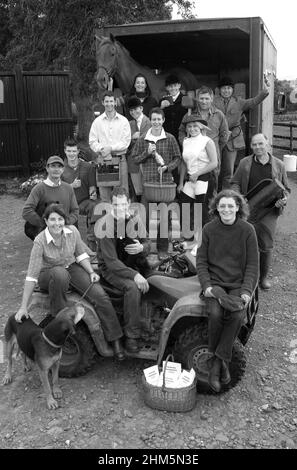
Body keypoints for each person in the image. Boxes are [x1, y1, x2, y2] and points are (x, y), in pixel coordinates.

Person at [15, 203, 126, 360]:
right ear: (46, 221)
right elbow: (32, 275)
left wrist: (91, 272)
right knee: (60, 274)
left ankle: (115, 339)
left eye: (60, 219)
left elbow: (80, 254)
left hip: (70, 267)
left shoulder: (72, 231)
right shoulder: (40, 241)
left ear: (64, 220)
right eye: (52, 219)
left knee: (99, 294)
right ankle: (58, 322)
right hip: (49, 274)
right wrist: (23, 307)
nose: (57, 223)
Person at [196, 190, 259, 392]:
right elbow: (201, 261)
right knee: (214, 313)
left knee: (237, 314)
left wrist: (246, 291)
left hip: (237, 284)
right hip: (215, 283)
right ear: (216, 208)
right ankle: (221, 362)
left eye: (230, 206)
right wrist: (206, 286)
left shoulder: (248, 230)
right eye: (222, 206)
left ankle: (216, 362)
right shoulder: (208, 229)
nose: (226, 209)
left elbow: (252, 265)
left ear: (238, 207)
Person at [231, 133, 290, 290]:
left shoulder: (279, 165)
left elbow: (286, 189)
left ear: (267, 144)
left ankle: (263, 278)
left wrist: (283, 200)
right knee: (244, 243)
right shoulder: (244, 163)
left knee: (266, 245)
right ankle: (244, 277)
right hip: (247, 208)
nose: (257, 147)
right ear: (251, 146)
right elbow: (235, 182)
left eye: (260, 144)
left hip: (269, 210)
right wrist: (239, 197)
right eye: (254, 144)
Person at [95, 187, 151, 353]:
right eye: (116, 205)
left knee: (157, 279)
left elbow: (148, 242)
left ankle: (149, 321)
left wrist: (142, 247)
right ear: (111, 205)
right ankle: (131, 336)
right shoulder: (105, 226)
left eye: (123, 204)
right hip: (112, 269)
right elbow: (111, 262)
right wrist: (135, 276)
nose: (120, 208)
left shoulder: (134, 219)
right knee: (133, 288)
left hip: (133, 263)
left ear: (129, 204)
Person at [132, 107, 181, 258]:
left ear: (163, 120)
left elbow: (177, 158)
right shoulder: (142, 139)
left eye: (159, 119)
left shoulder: (170, 138)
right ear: (150, 120)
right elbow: (134, 158)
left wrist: (167, 167)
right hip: (148, 183)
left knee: (165, 218)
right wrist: (146, 153)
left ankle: (162, 249)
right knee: (144, 218)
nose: (156, 122)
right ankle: (143, 248)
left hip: (165, 184)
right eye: (154, 119)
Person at [214, 76, 270, 189]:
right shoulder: (213, 102)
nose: (226, 90)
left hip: (232, 140)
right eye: (224, 88)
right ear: (219, 90)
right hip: (216, 139)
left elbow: (254, 101)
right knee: (214, 169)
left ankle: (226, 196)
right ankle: (213, 195)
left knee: (228, 171)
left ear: (232, 89)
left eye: (229, 88)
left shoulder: (239, 102)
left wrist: (265, 91)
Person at [177, 114, 218, 236]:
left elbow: (214, 163)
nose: (192, 129)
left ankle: (203, 240)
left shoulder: (207, 141)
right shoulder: (186, 141)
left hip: (204, 179)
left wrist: (197, 173)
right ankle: (187, 238)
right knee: (184, 209)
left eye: (195, 126)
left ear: (201, 127)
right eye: (189, 126)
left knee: (202, 212)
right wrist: (180, 183)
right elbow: (184, 162)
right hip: (190, 180)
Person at [22, 156, 79, 241]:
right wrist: (44, 224)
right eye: (53, 166)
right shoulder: (39, 189)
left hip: (65, 233)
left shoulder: (68, 188)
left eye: (59, 166)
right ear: (47, 168)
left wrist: (66, 223)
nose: (56, 169)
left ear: (63, 169)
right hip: (46, 235)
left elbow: (75, 210)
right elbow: (26, 211)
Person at [89, 91, 131, 202]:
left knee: (121, 194)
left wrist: (110, 148)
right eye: (106, 101)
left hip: (120, 160)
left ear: (115, 102)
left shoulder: (124, 121)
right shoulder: (97, 122)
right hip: (103, 160)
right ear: (103, 103)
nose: (109, 104)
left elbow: (126, 142)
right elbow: (92, 142)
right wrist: (102, 149)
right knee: (105, 195)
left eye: (111, 101)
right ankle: (107, 217)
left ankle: (122, 219)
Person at [61, 138, 98, 252]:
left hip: (83, 202)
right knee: (69, 216)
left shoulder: (88, 167)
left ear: (78, 152)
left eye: (74, 151)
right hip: (68, 204)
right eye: (69, 151)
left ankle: (91, 244)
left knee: (95, 207)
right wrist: (70, 186)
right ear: (65, 151)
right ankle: (75, 249)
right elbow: (56, 191)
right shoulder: (60, 168)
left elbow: (92, 187)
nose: (71, 154)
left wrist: (93, 196)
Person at [178, 86, 229, 168]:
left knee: (213, 178)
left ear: (212, 99)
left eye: (207, 98)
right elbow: (181, 131)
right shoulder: (190, 115)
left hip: (212, 156)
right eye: (201, 98)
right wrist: (185, 143)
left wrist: (214, 146)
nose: (204, 101)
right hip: (194, 156)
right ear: (197, 99)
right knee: (193, 177)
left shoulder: (219, 115)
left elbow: (224, 135)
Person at [160, 74, 187, 185]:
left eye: (175, 85)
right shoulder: (163, 100)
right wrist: (161, 107)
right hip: (168, 138)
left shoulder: (185, 100)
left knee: (183, 163)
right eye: (170, 86)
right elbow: (157, 118)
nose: (173, 88)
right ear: (167, 88)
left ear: (179, 85)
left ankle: (182, 189)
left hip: (182, 137)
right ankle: (172, 189)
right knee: (171, 163)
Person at [126, 96, 151, 201]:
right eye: (131, 110)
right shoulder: (129, 123)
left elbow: (150, 138)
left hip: (147, 159)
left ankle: (148, 212)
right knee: (137, 189)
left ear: (141, 108)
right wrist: (132, 137)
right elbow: (126, 141)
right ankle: (140, 210)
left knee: (148, 188)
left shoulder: (150, 121)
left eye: (135, 109)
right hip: (133, 160)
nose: (133, 112)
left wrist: (139, 136)